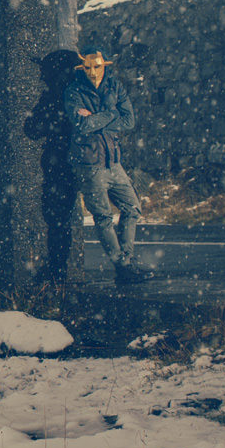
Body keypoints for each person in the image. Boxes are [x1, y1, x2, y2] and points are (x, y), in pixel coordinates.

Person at [64, 43, 152, 286]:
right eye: (88, 66)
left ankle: (126, 259)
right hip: (88, 163)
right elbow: (81, 125)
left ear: (105, 64)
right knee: (103, 217)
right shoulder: (73, 90)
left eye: (97, 66)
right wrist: (111, 113)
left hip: (113, 160)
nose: (93, 71)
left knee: (132, 208)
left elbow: (130, 121)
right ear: (82, 66)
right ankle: (122, 267)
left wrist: (96, 117)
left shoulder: (114, 86)